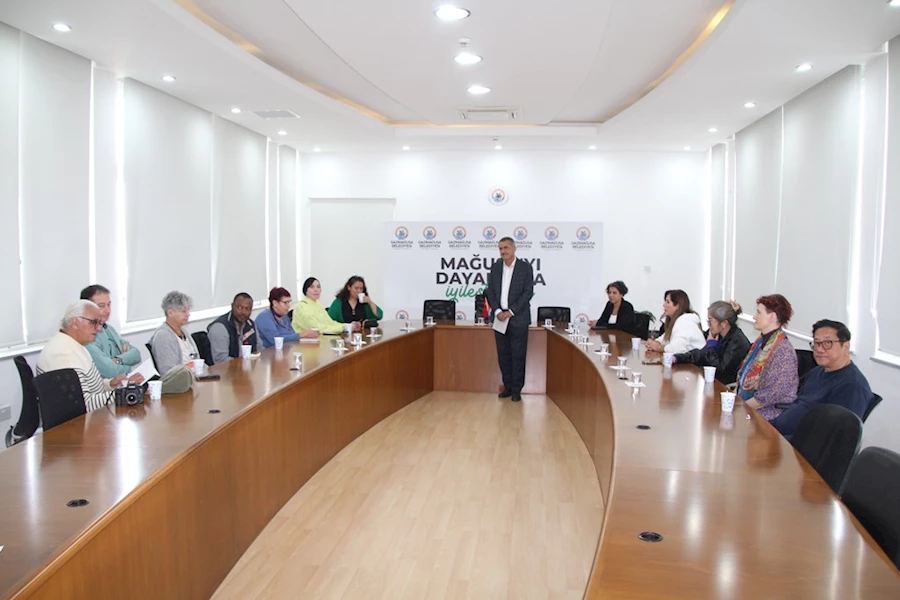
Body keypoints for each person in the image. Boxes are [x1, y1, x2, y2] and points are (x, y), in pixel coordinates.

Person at [37, 300, 144, 412]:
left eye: (99, 323)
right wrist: (124, 391)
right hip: (79, 421)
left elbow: (89, 389)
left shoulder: (76, 345)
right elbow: (84, 404)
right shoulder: (62, 354)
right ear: (75, 323)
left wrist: (110, 384)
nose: (98, 328)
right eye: (93, 322)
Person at [773, 320, 872, 436]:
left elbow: (833, 436)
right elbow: (798, 404)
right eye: (817, 343)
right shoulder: (817, 371)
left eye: (828, 343)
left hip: (798, 442)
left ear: (845, 347)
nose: (819, 349)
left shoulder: (852, 387)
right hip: (778, 431)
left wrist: (780, 441)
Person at [485, 237, 534, 402]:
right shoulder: (496, 267)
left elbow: (527, 293)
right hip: (499, 318)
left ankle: (517, 390)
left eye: (506, 248)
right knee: (503, 355)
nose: (503, 251)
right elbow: (490, 291)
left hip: (518, 318)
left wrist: (511, 311)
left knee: (518, 355)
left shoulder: (525, 268)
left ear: (514, 248)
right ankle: (508, 387)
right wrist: (498, 310)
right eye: (500, 248)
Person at [736, 294, 798, 421]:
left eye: (759, 313)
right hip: (750, 406)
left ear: (772, 317)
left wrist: (738, 406)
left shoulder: (783, 351)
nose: (754, 317)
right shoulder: (761, 342)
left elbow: (771, 395)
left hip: (768, 414)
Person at [674, 300, 750, 384]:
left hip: (726, 386)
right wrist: (678, 357)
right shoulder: (718, 333)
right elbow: (701, 354)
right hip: (713, 381)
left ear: (724, 323)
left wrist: (711, 346)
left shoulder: (737, 342)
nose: (708, 324)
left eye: (710, 320)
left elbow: (720, 370)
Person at [79, 284, 142, 378]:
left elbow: (136, 354)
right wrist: (128, 366)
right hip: (104, 386)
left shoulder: (108, 329)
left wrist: (118, 360)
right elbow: (110, 371)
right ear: (87, 308)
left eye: (109, 304)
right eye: (101, 306)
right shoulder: (86, 337)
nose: (107, 310)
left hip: (121, 383)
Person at [149, 291, 201, 378]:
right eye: (183, 311)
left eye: (188, 310)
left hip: (194, 376)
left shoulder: (183, 331)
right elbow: (168, 372)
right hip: (182, 381)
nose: (188, 314)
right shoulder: (163, 336)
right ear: (170, 313)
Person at [645, 290, 705, 354]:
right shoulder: (678, 320)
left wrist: (658, 347)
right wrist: (654, 343)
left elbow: (676, 349)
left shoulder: (685, 322)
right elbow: (665, 339)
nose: (664, 305)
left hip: (695, 360)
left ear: (677, 306)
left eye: (668, 302)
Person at [208, 292, 257, 364]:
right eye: (240, 308)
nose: (243, 312)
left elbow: (259, 350)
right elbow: (221, 360)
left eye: (247, 309)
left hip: (246, 368)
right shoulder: (220, 327)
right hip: (224, 370)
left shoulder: (250, 324)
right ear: (232, 306)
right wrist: (244, 364)